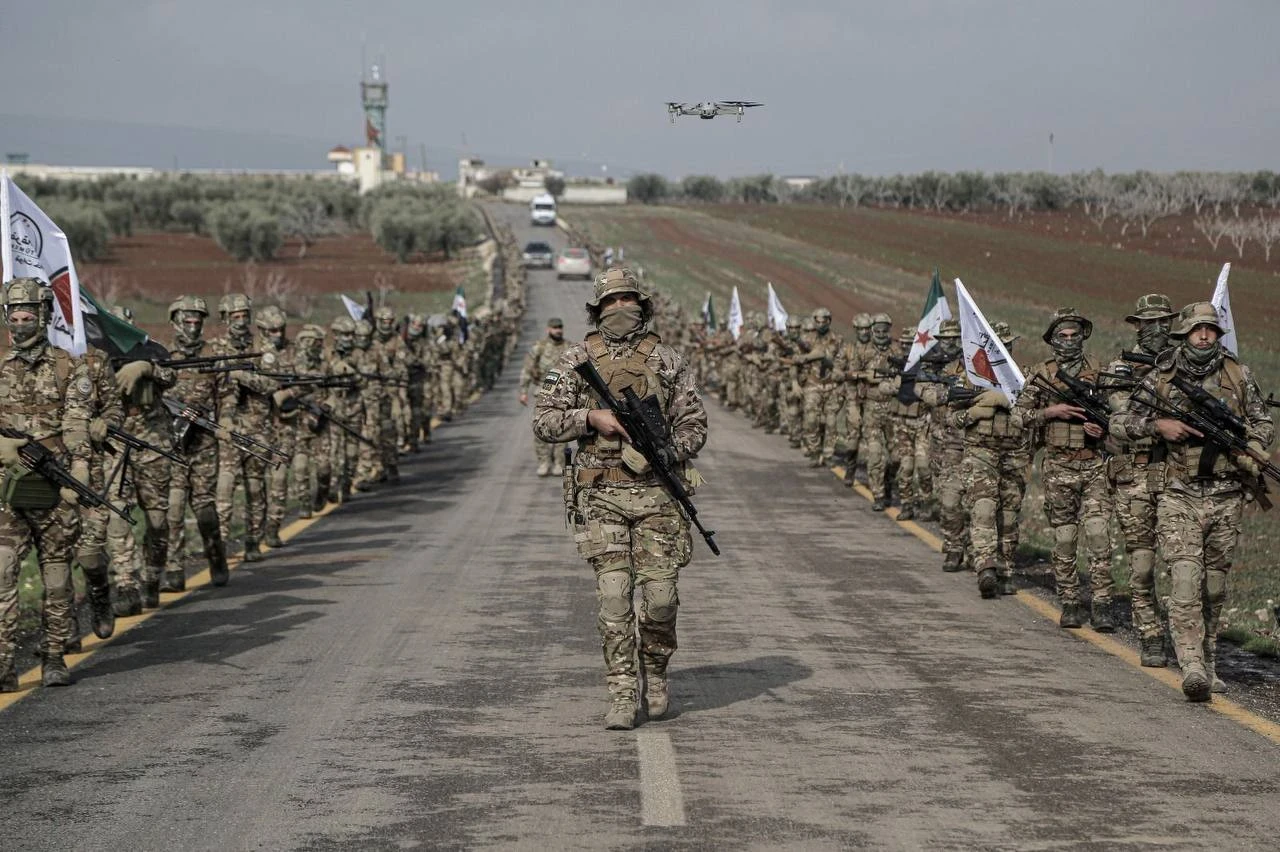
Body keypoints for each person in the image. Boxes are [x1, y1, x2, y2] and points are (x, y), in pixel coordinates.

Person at [532, 267, 708, 731]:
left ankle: (655, 667)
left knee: (661, 600)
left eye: (628, 300)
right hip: (602, 494)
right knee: (613, 598)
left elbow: (695, 422)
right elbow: (544, 420)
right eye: (611, 302)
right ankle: (622, 690)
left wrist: (671, 448)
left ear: (643, 306)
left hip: (657, 496)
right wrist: (592, 417)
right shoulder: (576, 359)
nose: (620, 309)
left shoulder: (667, 359)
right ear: (597, 309)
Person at [1113, 302, 1273, 701]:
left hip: (1226, 495)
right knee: (1185, 579)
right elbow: (1119, 424)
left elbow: (1263, 421)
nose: (1205, 336)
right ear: (1183, 334)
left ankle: (1210, 659)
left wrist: (1253, 444)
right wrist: (1157, 425)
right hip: (1178, 494)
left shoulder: (1238, 375)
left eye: (1211, 330)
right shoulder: (1161, 377)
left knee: (1214, 587)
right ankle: (1191, 666)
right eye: (1197, 329)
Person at [0, 279, 95, 688]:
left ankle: (53, 656)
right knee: (3, 574)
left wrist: (80, 469)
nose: (21, 324)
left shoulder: (69, 368)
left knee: (56, 577)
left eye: (28, 316)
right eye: (14, 317)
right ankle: (3, 663)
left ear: (43, 317)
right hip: (7, 491)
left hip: (54, 488)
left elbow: (76, 422)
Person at [1011, 308, 1115, 629]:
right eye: (1063, 336)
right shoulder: (1042, 374)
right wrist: (1049, 412)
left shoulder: (1101, 371)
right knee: (1066, 537)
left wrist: (1104, 429)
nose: (1069, 341)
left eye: (1074, 335)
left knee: (1099, 536)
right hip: (1058, 466)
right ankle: (1070, 601)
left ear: (1083, 336)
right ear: (1053, 339)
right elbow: (1017, 417)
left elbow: (1121, 415)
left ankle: (1102, 605)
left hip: (1095, 463)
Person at [1103, 294, 1178, 667]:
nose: (1159, 329)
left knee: (1183, 562)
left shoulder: (1182, 366)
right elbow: (1122, 411)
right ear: (1137, 326)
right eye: (1151, 323)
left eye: (1166, 322)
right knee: (1142, 562)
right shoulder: (1121, 367)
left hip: (1176, 474)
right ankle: (1150, 634)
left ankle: (1188, 639)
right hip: (1133, 474)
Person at [520, 317, 571, 476]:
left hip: (562, 393)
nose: (558, 330)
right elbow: (527, 369)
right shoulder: (539, 347)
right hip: (542, 391)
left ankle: (559, 463)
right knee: (540, 428)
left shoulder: (568, 347)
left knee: (562, 429)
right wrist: (523, 391)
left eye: (560, 327)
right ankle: (543, 462)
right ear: (548, 329)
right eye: (555, 328)